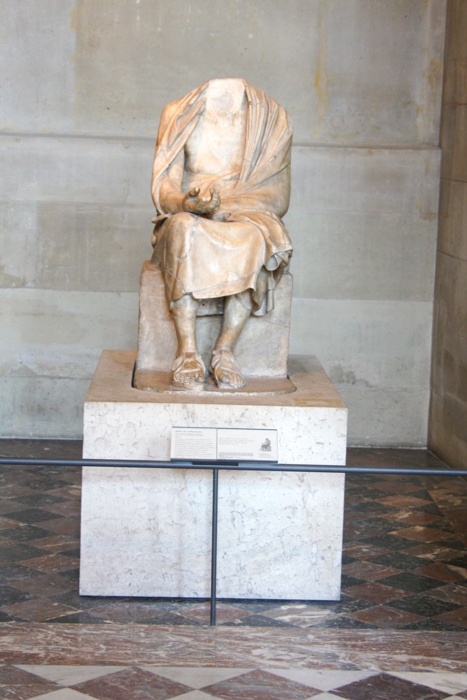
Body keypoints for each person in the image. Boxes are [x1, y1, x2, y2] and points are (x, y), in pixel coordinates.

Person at [151, 78, 293, 390]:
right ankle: (187, 351)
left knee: (253, 238)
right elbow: (165, 186)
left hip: (245, 216)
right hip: (191, 215)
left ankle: (224, 350)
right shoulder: (177, 113)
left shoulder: (273, 118)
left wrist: (224, 206)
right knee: (182, 228)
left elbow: (278, 197)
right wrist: (185, 203)